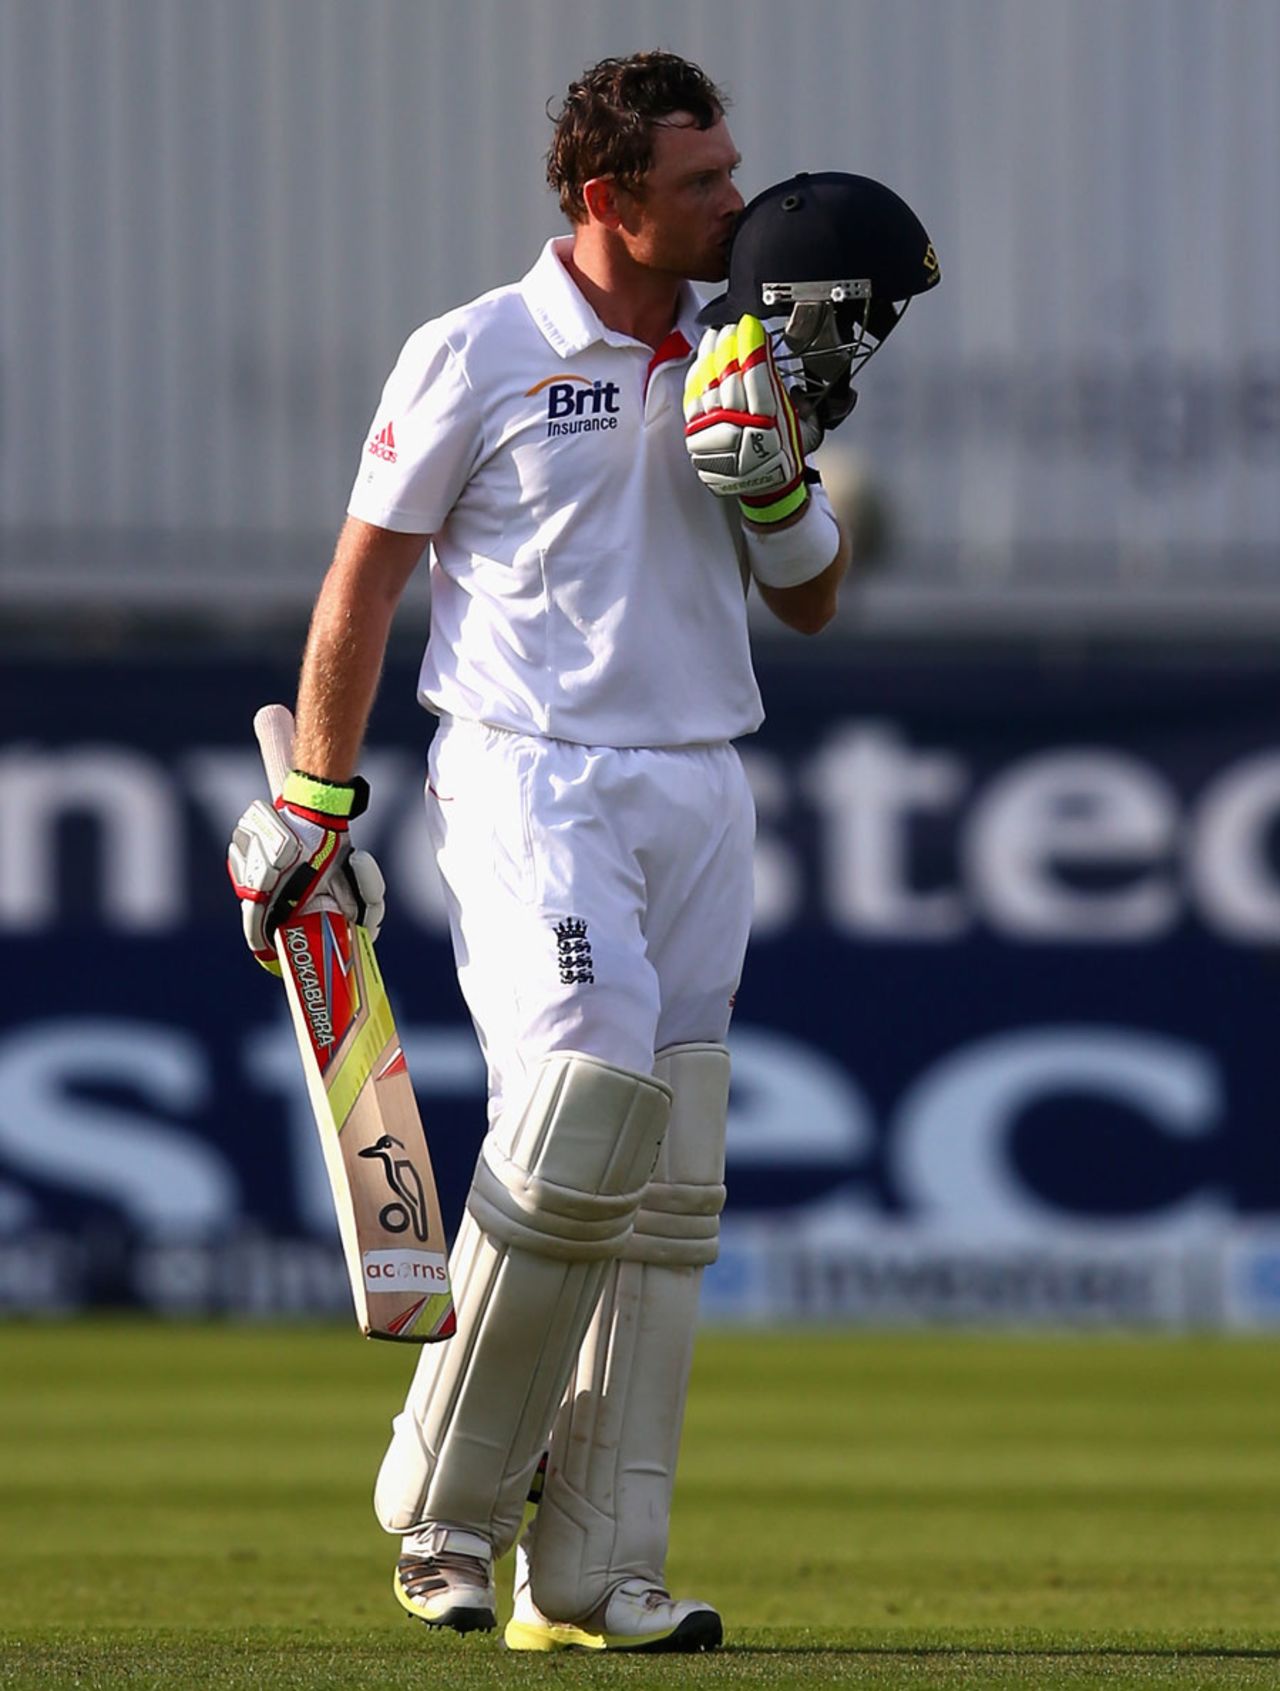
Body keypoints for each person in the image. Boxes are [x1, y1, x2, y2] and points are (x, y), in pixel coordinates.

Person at [228, 50, 937, 1654]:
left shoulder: (736, 346)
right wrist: (321, 806)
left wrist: (772, 492)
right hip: (533, 775)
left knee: (671, 1178)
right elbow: (364, 580)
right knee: (585, 1097)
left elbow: (812, 598)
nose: (736, 203)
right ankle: (442, 1510)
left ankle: (599, 1568)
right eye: (704, 183)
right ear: (612, 199)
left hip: (704, 782)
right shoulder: (477, 350)